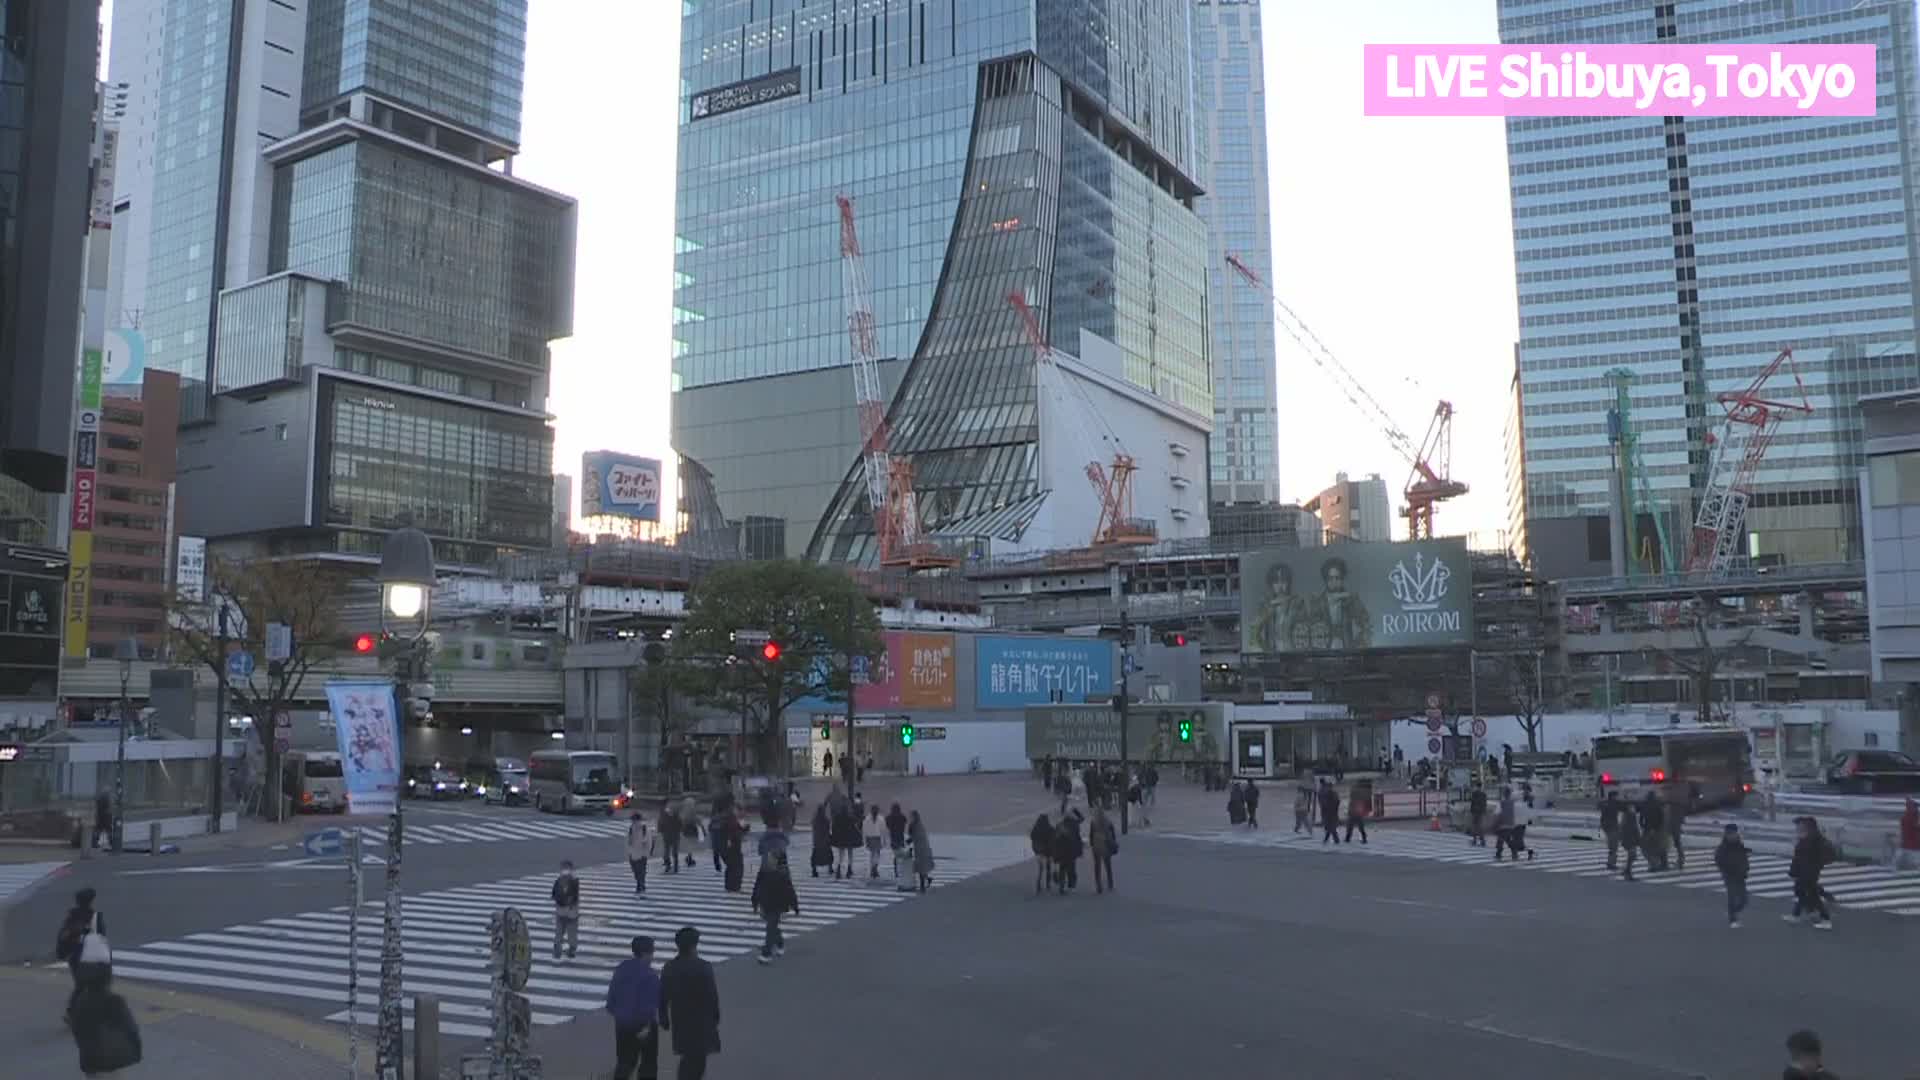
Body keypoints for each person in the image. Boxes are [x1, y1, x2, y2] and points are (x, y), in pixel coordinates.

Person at [659, 926, 721, 1080]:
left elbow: (662, 996)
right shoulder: (703, 967)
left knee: (688, 1056)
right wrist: (715, 1016)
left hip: (680, 1019)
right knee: (698, 1059)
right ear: (694, 945)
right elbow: (712, 996)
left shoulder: (670, 967)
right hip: (702, 1020)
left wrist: (664, 1017)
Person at [606, 936, 661, 1080]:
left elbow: (611, 1001)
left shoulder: (621, 968)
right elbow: (651, 1005)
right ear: (646, 953)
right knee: (648, 1064)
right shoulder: (650, 976)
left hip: (622, 1024)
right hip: (642, 1026)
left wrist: (619, 1015)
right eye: (652, 952)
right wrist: (647, 1026)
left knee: (624, 1063)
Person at [69, 970, 141, 1077]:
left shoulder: (81, 1002)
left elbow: (76, 1029)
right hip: (111, 1060)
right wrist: (136, 1048)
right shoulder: (114, 1001)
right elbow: (131, 1028)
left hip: (90, 1061)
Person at [55, 887, 110, 1025]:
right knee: (91, 985)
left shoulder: (71, 916)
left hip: (73, 956)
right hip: (89, 956)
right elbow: (102, 936)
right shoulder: (95, 916)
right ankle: (76, 1012)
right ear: (91, 901)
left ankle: (77, 1012)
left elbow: (63, 935)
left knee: (82, 984)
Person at [749, 851, 800, 964]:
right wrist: (755, 901)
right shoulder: (763, 872)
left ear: (777, 861)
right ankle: (780, 942)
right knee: (772, 927)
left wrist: (795, 905)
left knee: (770, 927)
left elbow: (789, 891)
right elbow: (757, 887)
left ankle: (766, 954)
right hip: (765, 903)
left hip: (777, 904)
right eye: (769, 858)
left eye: (771, 858)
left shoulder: (782, 874)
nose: (769, 860)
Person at [1786, 817, 1834, 930]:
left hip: (1809, 873)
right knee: (1802, 892)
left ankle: (1825, 919)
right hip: (1805, 872)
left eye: (1800, 826)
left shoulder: (1813, 840)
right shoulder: (1806, 839)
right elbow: (1797, 858)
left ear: (1807, 827)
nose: (1797, 828)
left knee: (1811, 895)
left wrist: (1814, 866)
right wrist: (1793, 872)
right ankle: (1800, 914)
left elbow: (1804, 858)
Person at [1714, 823, 1750, 928]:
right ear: (1725, 834)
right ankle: (1732, 919)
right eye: (1729, 834)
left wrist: (1746, 868)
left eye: (1733, 833)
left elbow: (1744, 858)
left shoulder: (1739, 844)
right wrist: (1726, 869)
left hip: (1740, 875)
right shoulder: (1722, 847)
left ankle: (1733, 912)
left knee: (1744, 900)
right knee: (1732, 897)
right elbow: (1719, 860)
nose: (1731, 835)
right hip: (1729, 875)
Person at [551, 860, 581, 961]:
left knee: (559, 932)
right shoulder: (575, 881)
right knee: (571, 932)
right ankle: (571, 950)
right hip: (571, 913)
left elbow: (553, 895)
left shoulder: (558, 880)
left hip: (561, 911)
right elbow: (575, 897)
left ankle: (557, 951)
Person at [1088, 805, 1118, 894]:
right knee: (1108, 866)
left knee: (1097, 866)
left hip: (1097, 846)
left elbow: (1091, 835)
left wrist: (1092, 844)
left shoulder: (1093, 822)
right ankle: (1110, 883)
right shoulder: (1109, 822)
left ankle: (1099, 885)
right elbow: (1113, 835)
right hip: (1106, 845)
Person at [1052, 809, 1082, 894]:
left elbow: (1055, 839)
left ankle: (1061, 884)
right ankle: (1071, 884)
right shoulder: (1075, 825)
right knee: (1071, 868)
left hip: (1061, 851)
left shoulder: (1059, 825)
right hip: (1071, 851)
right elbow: (1082, 819)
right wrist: (1076, 811)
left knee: (1062, 868)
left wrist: (1055, 852)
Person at [626, 812, 655, 895]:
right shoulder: (631, 829)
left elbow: (649, 842)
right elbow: (628, 841)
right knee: (635, 871)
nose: (633, 822)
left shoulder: (644, 829)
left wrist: (647, 853)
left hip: (642, 854)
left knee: (641, 871)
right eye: (632, 820)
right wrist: (629, 852)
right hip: (633, 853)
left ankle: (641, 887)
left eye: (634, 820)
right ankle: (639, 884)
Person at [1640, 792, 1668, 872]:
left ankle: (1653, 864)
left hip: (1647, 829)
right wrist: (1657, 828)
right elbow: (1661, 818)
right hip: (1657, 830)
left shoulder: (1644, 806)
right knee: (1659, 847)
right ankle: (1663, 863)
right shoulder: (1658, 806)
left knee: (1647, 848)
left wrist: (1643, 826)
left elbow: (1641, 819)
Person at [909, 809, 935, 893]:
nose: (910, 818)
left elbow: (914, 836)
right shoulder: (919, 824)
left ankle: (922, 886)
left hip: (921, 848)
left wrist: (909, 841)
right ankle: (927, 879)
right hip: (922, 848)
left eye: (911, 816)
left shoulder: (915, 825)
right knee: (922, 866)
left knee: (920, 867)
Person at [1617, 795, 1642, 881]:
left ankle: (1626, 870)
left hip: (1631, 837)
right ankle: (1627, 872)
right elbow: (1626, 827)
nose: (1633, 808)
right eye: (1631, 807)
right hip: (1628, 837)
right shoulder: (1627, 817)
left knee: (1632, 855)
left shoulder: (1630, 816)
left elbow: (1635, 828)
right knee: (1632, 855)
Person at [1029, 813, 1054, 895]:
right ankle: (1048, 884)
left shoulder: (1035, 828)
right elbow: (1053, 839)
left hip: (1038, 851)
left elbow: (1032, 837)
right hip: (1048, 852)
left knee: (1040, 869)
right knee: (1048, 868)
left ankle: (1038, 884)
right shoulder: (1050, 828)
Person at [1599, 789, 1624, 870]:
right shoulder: (1614, 804)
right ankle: (1611, 864)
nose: (1617, 797)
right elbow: (1622, 807)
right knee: (1613, 847)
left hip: (1606, 826)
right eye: (1616, 796)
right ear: (1613, 796)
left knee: (1612, 846)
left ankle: (1611, 863)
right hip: (1612, 826)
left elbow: (1599, 806)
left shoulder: (1605, 803)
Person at [1492, 787, 1517, 862]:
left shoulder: (1501, 803)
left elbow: (1496, 813)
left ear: (1504, 794)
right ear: (1510, 794)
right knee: (1508, 839)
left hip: (1503, 824)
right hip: (1511, 824)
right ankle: (1514, 853)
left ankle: (1499, 854)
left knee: (1501, 839)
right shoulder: (1513, 803)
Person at [809, 803, 832, 879]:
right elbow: (828, 828)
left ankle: (814, 870)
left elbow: (813, 828)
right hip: (825, 840)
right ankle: (830, 868)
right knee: (828, 854)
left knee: (815, 856)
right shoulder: (826, 820)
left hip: (817, 840)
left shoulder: (815, 820)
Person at [658, 804, 682, 875]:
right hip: (668, 836)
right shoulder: (665, 817)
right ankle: (668, 865)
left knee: (674, 852)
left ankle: (675, 867)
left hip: (674, 836)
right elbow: (660, 826)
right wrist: (661, 832)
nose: (670, 812)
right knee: (667, 852)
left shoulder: (676, 817)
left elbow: (680, 825)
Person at [863, 803, 886, 879]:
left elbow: (864, 830)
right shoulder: (881, 819)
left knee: (872, 854)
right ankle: (874, 867)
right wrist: (884, 840)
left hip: (870, 838)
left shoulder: (867, 818)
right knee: (877, 854)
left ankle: (873, 868)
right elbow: (883, 830)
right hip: (877, 838)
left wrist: (865, 840)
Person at [1318, 780, 1343, 844]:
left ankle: (1331, 840)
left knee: (1331, 827)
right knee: (1331, 827)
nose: (1328, 788)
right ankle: (1330, 840)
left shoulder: (1328, 793)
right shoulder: (1332, 793)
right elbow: (1338, 802)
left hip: (1329, 812)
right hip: (1331, 812)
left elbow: (1324, 803)